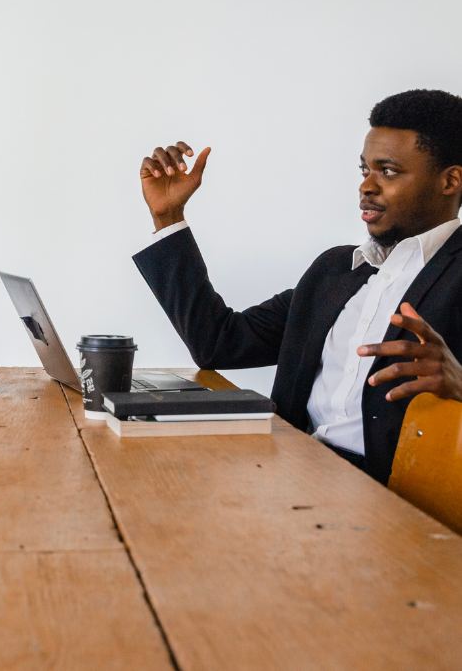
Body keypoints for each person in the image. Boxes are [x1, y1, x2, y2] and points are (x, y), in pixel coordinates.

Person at [134, 89, 462, 484]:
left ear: (451, 181)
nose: (367, 187)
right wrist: (168, 217)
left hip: (395, 501)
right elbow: (218, 342)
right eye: (364, 170)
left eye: (388, 171)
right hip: (289, 470)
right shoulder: (335, 271)